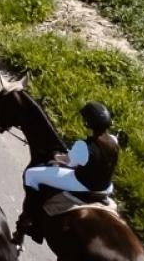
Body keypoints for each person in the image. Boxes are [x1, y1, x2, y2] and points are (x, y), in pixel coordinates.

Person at [17, 102, 120, 242]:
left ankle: (30, 217)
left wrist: (55, 156)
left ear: (87, 123)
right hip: (105, 188)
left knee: (31, 175)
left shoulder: (83, 146)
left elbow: (68, 162)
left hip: (82, 184)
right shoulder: (114, 141)